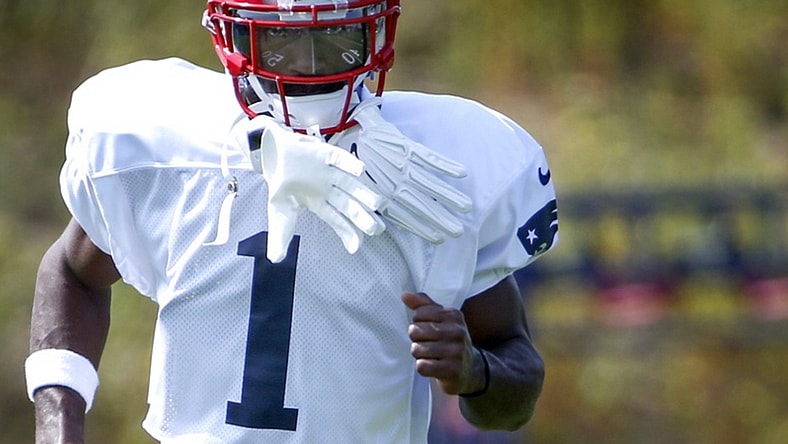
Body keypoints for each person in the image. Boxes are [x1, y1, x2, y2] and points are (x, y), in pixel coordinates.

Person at [26, 0, 559, 442]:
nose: (310, 66)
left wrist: (475, 373)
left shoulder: (431, 174)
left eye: (336, 38)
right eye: (281, 41)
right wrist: (59, 426)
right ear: (233, 37)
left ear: (376, 32)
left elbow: (515, 393)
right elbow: (72, 273)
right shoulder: (173, 150)